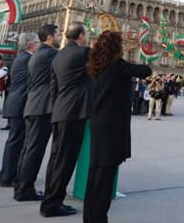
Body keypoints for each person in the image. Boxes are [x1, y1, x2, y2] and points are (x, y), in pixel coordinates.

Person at [84, 30, 151, 223]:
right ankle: (97, 218)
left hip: (98, 122)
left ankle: (90, 216)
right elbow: (145, 70)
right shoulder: (117, 65)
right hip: (112, 125)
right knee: (105, 175)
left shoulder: (94, 65)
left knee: (96, 171)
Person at [40, 22, 91, 218]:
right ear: (80, 36)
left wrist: (58, 108)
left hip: (60, 111)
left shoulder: (58, 55)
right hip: (74, 113)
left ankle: (50, 200)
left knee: (56, 159)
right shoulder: (83, 53)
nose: (87, 36)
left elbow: (54, 88)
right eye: (85, 33)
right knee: (66, 160)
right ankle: (53, 205)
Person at [15, 24, 60, 202]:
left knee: (28, 148)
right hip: (42, 107)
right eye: (58, 34)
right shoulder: (50, 54)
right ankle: (25, 189)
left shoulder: (37, 54)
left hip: (33, 105)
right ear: (49, 37)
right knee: (35, 150)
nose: (59, 37)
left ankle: (21, 186)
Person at [0, 33, 39, 188]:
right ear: (32, 45)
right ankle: (9, 175)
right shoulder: (28, 59)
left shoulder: (20, 58)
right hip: (21, 103)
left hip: (15, 102)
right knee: (17, 141)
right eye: (38, 43)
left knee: (14, 141)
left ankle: (6, 174)